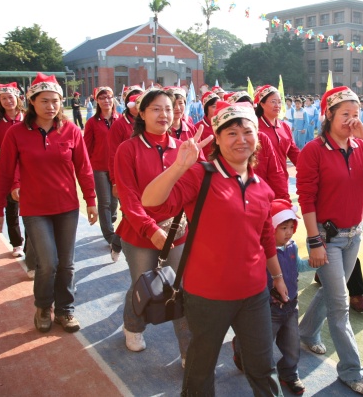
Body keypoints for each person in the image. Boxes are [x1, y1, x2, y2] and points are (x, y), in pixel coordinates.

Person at [142, 101, 288, 397]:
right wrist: (180, 166)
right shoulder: (201, 175)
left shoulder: (262, 187)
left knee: (263, 366)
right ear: (217, 139)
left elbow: (265, 238)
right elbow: (150, 201)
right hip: (208, 295)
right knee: (201, 368)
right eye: (231, 133)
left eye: (247, 132)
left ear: (257, 137)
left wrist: (277, 277)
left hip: (254, 293)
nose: (241, 139)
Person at [297, 86, 363, 395]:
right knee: (340, 305)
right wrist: (314, 241)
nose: (352, 120)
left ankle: (305, 332)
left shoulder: (360, 146)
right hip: (328, 237)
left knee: (331, 292)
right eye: (345, 114)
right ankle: (352, 370)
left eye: (356, 114)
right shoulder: (313, 150)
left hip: (354, 235)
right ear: (328, 115)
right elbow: (306, 198)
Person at [0, 73, 98, 333]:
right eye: (45, 101)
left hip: (67, 208)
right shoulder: (16, 133)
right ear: (32, 102)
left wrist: (91, 200)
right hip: (35, 209)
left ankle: (65, 309)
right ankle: (42, 307)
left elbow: (84, 168)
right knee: (47, 263)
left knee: (66, 264)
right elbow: (4, 173)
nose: (51, 106)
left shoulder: (71, 130)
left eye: (55, 101)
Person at [114, 88, 192, 363]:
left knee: (181, 289)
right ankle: (133, 326)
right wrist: (150, 228)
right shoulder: (128, 149)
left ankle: (188, 351)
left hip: (177, 232)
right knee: (143, 284)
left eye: (168, 108)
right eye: (156, 109)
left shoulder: (183, 148)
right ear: (142, 113)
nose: (164, 114)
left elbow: (195, 190)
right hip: (139, 234)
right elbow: (128, 198)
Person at [232, 199, 315, 395]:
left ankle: (289, 374)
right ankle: (241, 349)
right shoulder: (261, 252)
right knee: (261, 345)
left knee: (292, 345)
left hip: (291, 305)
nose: (289, 232)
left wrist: (314, 263)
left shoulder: (292, 247)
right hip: (269, 309)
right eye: (283, 228)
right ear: (271, 229)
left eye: (291, 227)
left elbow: (298, 267)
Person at [0, 82, 31, 261]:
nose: (7, 101)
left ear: (18, 98)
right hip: (8, 173)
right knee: (11, 211)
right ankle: (17, 243)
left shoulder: (29, 119)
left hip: (29, 173)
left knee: (31, 212)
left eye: (10, 97)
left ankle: (30, 246)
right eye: (3, 98)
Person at [225, 91, 290, 201]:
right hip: (233, 198)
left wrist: (284, 200)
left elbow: (275, 172)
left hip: (264, 196)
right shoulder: (224, 141)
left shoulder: (262, 138)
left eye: (248, 107)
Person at [84, 86, 122, 261]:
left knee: (114, 203)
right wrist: (87, 166)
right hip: (99, 167)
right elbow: (86, 146)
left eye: (109, 97)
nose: (106, 101)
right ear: (96, 101)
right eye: (102, 98)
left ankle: (109, 222)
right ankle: (110, 236)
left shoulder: (120, 119)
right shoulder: (92, 123)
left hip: (117, 167)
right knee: (105, 202)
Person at [255, 85, 300, 183]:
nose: (277, 105)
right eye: (273, 102)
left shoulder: (284, 127)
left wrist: (311, 168)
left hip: (282, 180)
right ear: (262, 104)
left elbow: (294, 153)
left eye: (279, 102)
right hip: (262, 182)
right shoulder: (254, 128)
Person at [108, 85, 144, 199]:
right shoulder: (119, 125)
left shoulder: (151, 122)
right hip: (126, 175)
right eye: (134, 101)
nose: (137, 105)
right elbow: (113, 154)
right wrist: (115, 181)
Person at [193, 91, 219, 158]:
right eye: (213, 106)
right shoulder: (198, 127)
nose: (217, 109)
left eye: (219, 106)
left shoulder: (224, 125)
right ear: (206, 108)